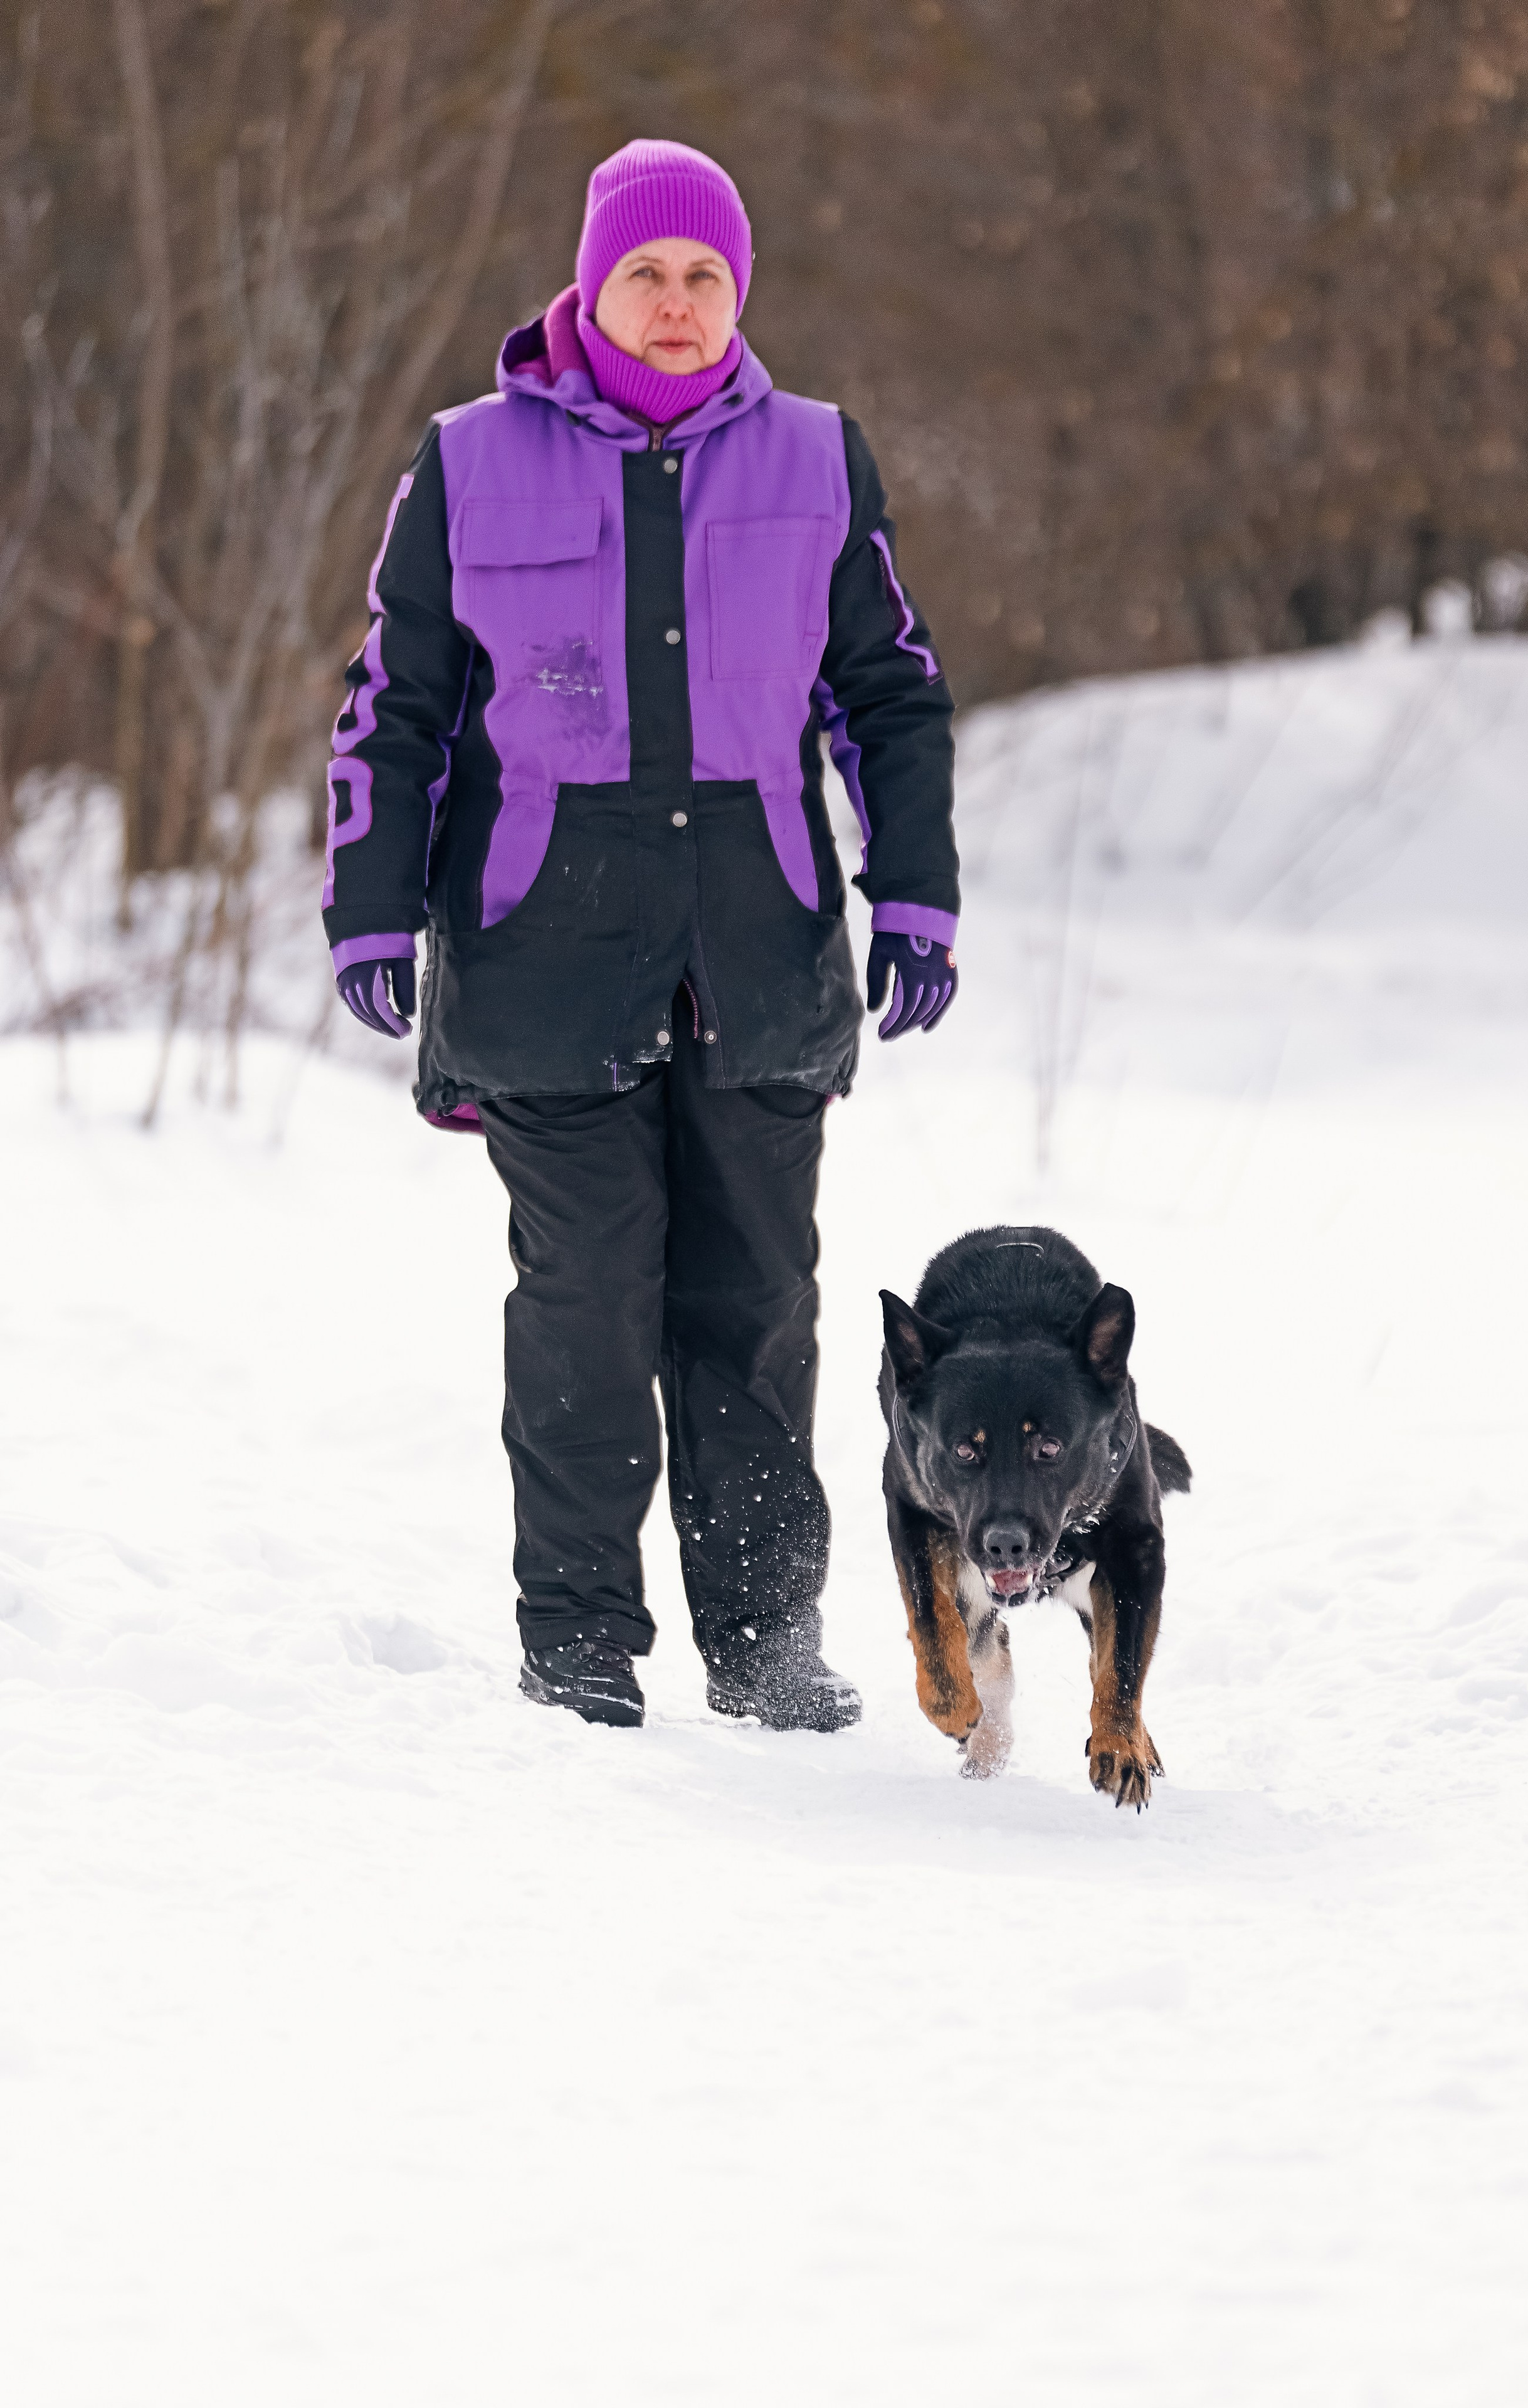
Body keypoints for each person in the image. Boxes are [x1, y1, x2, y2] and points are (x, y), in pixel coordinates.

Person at [322, 139, 959, 1733]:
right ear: (590, 286)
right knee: (587, 1302)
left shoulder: (818, 457)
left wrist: (917, 889)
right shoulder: (468, 462)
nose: (675, 309)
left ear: (737, 292)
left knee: (753, 1302)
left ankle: (761, 1641)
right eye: (644, 277)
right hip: (546, 942)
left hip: (757, 938)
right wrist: (369, 904)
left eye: (705, 280)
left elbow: (889, 695)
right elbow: (393, 710)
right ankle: (581, 1641)